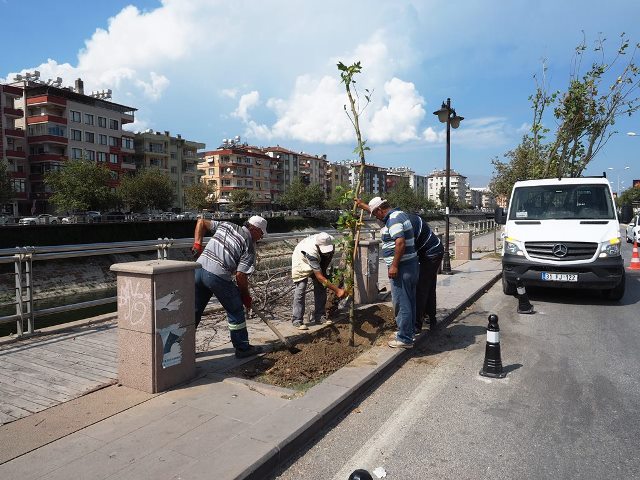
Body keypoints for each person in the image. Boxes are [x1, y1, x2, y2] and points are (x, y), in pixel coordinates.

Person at [191, 215, 267, 358]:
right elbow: (240, 276)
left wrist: (197, 244)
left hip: (198, 270)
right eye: (261, 233)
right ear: (255, 229)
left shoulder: (227, 225)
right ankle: (243, 348)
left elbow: (201, 222)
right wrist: (245, 297)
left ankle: (184, 349)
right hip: (216, 276)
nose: (261, 237)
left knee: (194, 311)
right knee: (236, 309)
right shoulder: (249, 247)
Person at [355, 197, 418, 348]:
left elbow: (400, 242)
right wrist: (362, 205)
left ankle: (405, 339)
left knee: (401, 303)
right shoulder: (398, 214)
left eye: (375, 214)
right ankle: (409, 331)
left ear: (380, 210)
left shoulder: (393, 220)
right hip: (411, 265)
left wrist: (394, 266)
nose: (375, 217)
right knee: (409, 301)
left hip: (402, 267)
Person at [291, 232, 346, 330]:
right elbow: (320, 277)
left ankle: (320, 316)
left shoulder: (330, 240)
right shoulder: (311, 252)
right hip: (301, 258)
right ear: (317, 246)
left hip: (317, 257)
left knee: (321, 286)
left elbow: (326, 261)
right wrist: (337, 290)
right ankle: (297, 320)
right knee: (301, 287)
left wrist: (323, 273)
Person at [407, 213, 444, 333]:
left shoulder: (409, 225)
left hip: (431, 254)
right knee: (429, 286)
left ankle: (417, 324)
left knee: (421, 288)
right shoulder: (409, 219)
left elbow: (408, 248)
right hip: (433, 251)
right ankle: (431, 318)